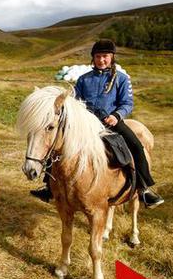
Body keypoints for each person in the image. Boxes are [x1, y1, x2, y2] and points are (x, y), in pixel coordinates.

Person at [31, 39, 164, 208]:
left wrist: (116, 115)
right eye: (98, 56)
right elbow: (75, 101)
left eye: (105, 56)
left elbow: (127, 103)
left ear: (112, 57)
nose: (102, 60)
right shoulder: (83, 80)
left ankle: (144, 188)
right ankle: (49, 186)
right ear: (93, 58)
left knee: (136, 147)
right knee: (56, 146)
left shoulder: (121, 79)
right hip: (86, 125)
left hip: (111, 123)